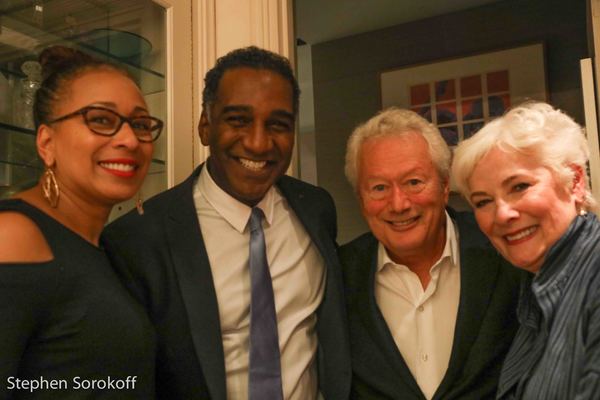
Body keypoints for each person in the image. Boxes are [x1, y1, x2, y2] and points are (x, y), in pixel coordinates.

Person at [102, 46, 351, 400]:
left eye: (278, 125)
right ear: (206, 126)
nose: (258, 142)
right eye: (238, 120)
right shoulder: (138, 239)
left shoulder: (316, 208)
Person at [0, 46, 162, 398]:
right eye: (101, 120)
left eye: (140, 124)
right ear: (47, 142)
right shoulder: (12, 235)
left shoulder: (104, 247)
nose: (130, 139)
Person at [340, 107, 525, 399]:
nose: (399, 204)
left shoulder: (504, 250)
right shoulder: (338, 275)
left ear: (444, 185)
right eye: (379, 188)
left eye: (414, 182)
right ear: (361, 199)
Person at [451, 101, 600, 400]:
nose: (502, 214)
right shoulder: (534, 291)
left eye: (519, 187)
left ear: (574, 182)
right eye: (483, 201)